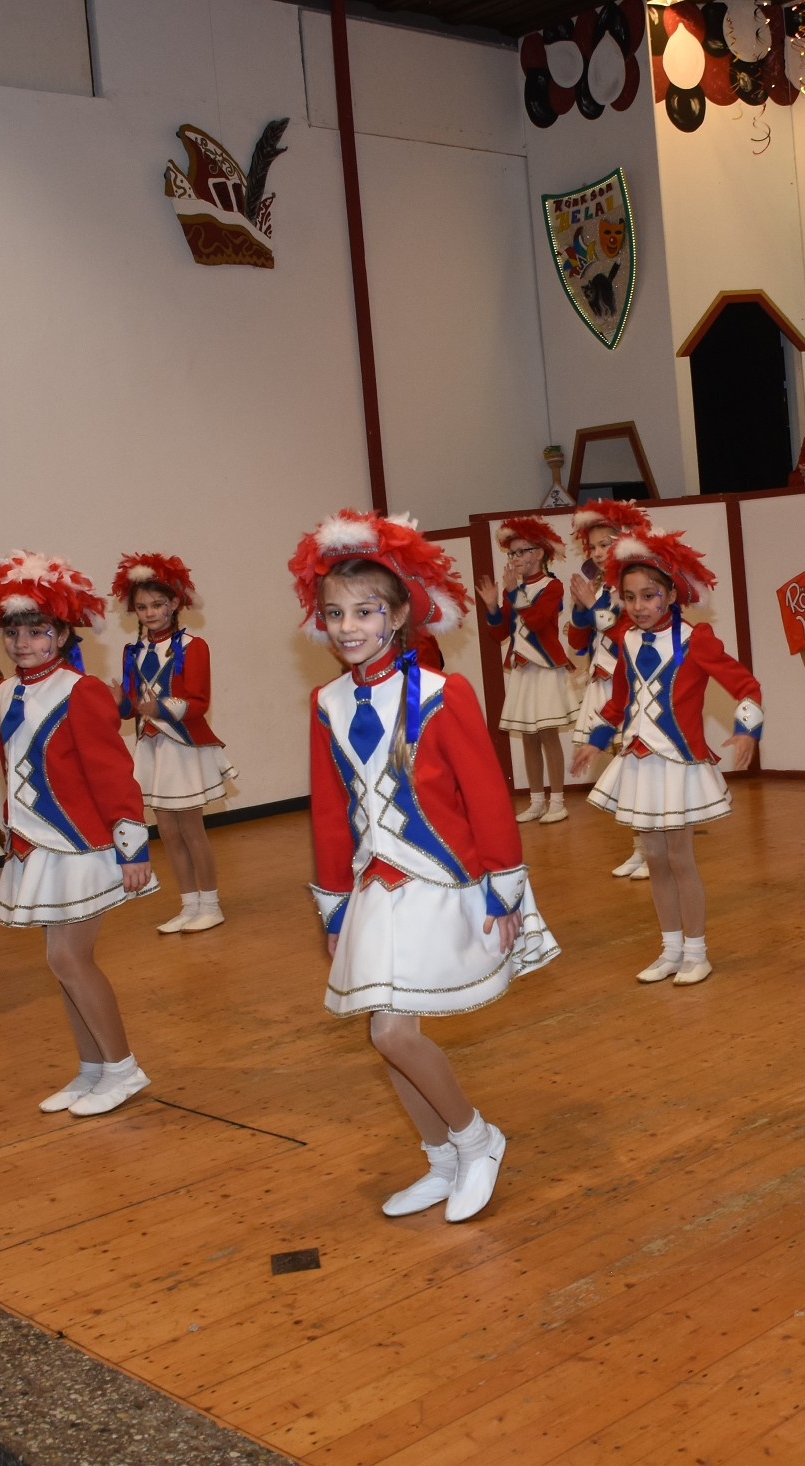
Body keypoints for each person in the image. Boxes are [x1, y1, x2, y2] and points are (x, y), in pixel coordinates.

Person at [294, 510, 557, 1223]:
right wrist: (334, 907)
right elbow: (329, 812)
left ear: (401, 613)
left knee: (392, 1032)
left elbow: (487, 798)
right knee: (383, 1033)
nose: (348, 627)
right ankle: (441, 1159)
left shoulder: (445, 693)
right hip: (372, 888)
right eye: (334, 613)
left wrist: (503, 891)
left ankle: (478, 1139)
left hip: (443, 882)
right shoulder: (325, 702)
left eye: (366, 611)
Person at [0, 551, 156, 1117]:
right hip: (35, 847)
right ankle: (92, 1068)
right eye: (13, 632)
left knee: (71, 959)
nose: (23, 643)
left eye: (37, 632)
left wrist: (132, 849)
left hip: (84, 846)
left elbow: (114, 774)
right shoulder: (3, 693)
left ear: (61, 634)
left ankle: (123, 1069)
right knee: (60, 964)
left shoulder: (81, 690)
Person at [571, 529, 763, 987]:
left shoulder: (697, 640)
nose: (639, 606)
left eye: (650, 595)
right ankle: (670, 949)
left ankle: (697, 952)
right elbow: (619, 701)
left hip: (677, 763)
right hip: (638, 762)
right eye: (630, 597)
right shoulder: (625, 639)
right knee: (654, 859)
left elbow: (746, 687)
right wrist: (595, 740)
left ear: (672, 594)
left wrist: (745, 732)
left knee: (680, 858)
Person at [112, 553, 234, 934]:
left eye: (157, 604)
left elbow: (199, 702)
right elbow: (131, 709)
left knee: (192, 830)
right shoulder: (132, 652)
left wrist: (161, 707)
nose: (150, 613)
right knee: (167, 832)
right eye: (142, 607)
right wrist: (119, 703)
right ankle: (188, 904)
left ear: (175, 603)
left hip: (182, 748)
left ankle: (211, 905)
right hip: (152, 750)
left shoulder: (194, 646)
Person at [567, 499, 656, 879]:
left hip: (633, 688)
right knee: (626, 770)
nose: (599, 552)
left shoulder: (638, 587)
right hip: (604, 686)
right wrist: (580, 607)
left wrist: (594, 608)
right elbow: (576, 644)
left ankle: (652, 851)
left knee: (639, 769)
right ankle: (640, 849)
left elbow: (630, 640)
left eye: (607, 544)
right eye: (594, 547)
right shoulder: (601, 588)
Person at [478, 516, 578, 824]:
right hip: (522, 669)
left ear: (539, 553)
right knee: (529, 737)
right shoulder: (514, 589)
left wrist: (512, 593)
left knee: (548, 734)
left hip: (546, 668)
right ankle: (536, 801)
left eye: (521, 552)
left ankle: (557, 801)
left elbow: (535, 621)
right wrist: (492, 607)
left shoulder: (552, 586)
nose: (516, 558)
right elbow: (500, 633)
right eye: (512, 553)